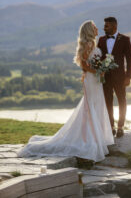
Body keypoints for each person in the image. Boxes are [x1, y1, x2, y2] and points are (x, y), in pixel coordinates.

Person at [17, 21, 114, 162]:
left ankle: (93, 137)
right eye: (94, 27)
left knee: (94, 106)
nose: (97, 28)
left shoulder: (92, 43)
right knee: (89, 107)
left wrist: (99, 71)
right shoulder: (89, 45)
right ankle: (89, 139)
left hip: (94, 81)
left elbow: (88, 65)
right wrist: (99, 71)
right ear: (89, 30)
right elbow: (84, 64)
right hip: (92, 80)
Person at [98, 17, 131, 138]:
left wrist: (128, 76)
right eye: (104, 26)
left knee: (122, 101)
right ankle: (111, 126)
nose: (104, 28)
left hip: (120, 77)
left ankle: (120, 127)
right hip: (105, 77)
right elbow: (98, 58)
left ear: (114, 26)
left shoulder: (125, 39)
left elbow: (129, 60)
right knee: (108, 102)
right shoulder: (101, 40)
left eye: (106, 26)